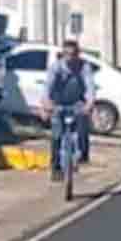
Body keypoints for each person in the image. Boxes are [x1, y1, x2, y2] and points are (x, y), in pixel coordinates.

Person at [39, 40, 95, 182]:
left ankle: (83, 154)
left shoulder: (84, 67)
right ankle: (56, 167)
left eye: (73, 54)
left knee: (83, 127)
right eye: (67, 54)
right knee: (56, 136)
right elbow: (47, 88)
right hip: (58, 104)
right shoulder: (56, 68)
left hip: (77, 103)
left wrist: (89, 104)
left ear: (78, 54)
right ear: (63, 55)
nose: (70, 57)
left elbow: (90, 87)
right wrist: (46, 105)